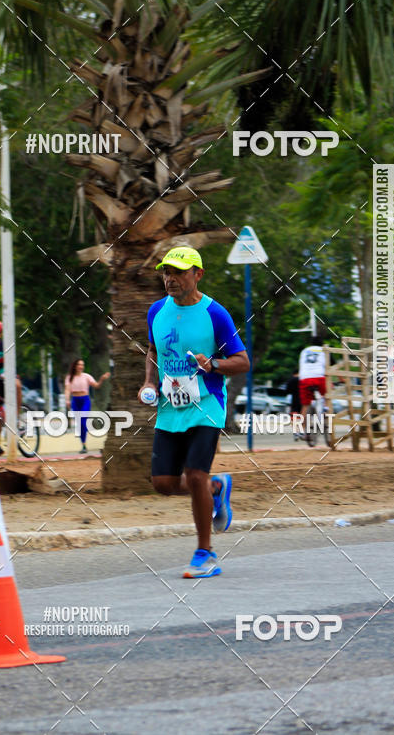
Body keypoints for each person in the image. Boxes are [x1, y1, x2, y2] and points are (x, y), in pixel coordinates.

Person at [139, 246, 250, 579]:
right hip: (169, 408)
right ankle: (217, 489)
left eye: (178, 272)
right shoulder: (156, 311)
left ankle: (206, 554)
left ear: (197, 274)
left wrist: (213, 363)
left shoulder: (215, 313)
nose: (170, 279)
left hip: (207, 404)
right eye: (166, 273)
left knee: (196, 474)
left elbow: (242, 361)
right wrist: (148, 381)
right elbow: (153, 349)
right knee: (163, 483)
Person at [0, 320, 22, 458]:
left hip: (5, 374)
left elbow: (9, 360)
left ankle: (17, 416)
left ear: (0, 334)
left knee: (17, 385)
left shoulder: (4, 344)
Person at [64, 359, 111, 453]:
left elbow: (96, 386)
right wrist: (67, 400)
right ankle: (84, 445)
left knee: (83, 421)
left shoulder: (86, 376)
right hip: (75, 401)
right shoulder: (69, 377)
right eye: (79, 365)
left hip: (85, 400)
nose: (81, 366)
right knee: (80, 424)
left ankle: (84, 441)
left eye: (83, 365)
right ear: (75, 366)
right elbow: (67, 390)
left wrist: (101, 379)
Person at [298, 336, 327, 445]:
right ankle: (325, 409)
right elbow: (331, 366)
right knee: (327, 395)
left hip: (304, 379)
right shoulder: (324, 351)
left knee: (305, 406)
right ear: (322, 344)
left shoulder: (304, 351)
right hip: (319, 378)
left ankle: (302, 431)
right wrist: (342, 379)